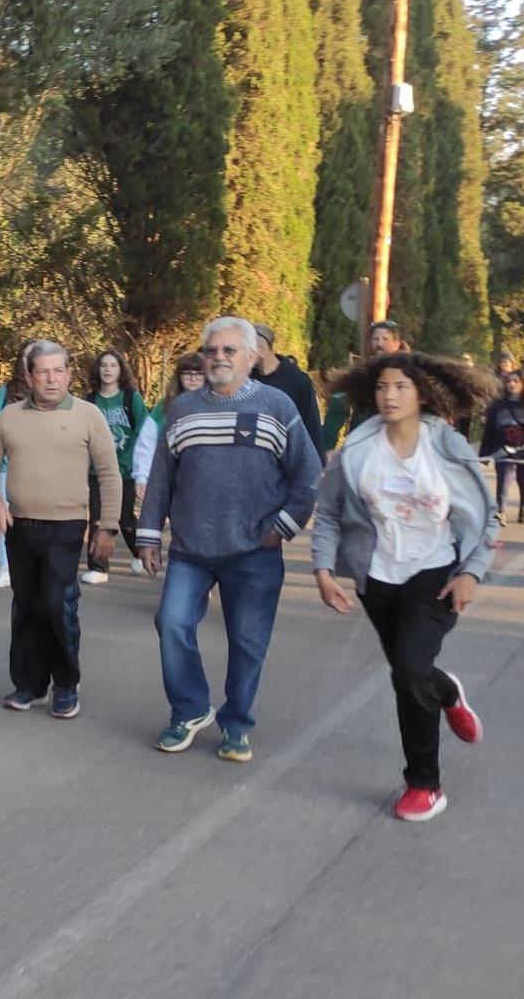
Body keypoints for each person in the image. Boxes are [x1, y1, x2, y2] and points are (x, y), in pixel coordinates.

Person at [312, 352, 500, 823]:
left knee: (408, 672)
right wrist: (323, 570)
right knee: (411, 671)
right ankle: (446, 692)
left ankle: (424, 784)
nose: (389, 395)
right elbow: (330, 513)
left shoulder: (447, 446)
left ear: (422, 393)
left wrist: (471, 572)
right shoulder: (358, 448)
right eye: (382, 387)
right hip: (377, 579)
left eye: (400, 386)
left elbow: (485, 515)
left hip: (436, 571)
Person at [136, 317, 321, 763]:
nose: (218, 358)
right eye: (211, 350)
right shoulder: (182, 410)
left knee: (247, 642)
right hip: (191, 548)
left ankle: (236, 724)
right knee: (172, 622)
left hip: (254, 551)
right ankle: (190, 708)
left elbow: (309, 475)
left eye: (229, 350)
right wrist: (148, 534)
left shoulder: (277, 406)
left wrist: (283, 528)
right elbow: (161, 476)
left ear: (252, 356)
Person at [0, 342, 120, 719]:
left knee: (56, 604)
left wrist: (108, 527)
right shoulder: (9, 418)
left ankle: (66, 683)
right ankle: (30, 684)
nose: (52, 378)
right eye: (43, 371)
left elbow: (108, 473)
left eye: (59, 370)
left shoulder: (88, 416)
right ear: (29, 376)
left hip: (67, 526)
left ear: (69, 374)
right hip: (19, 526)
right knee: (26, 606)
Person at [83, 349, 147, 582]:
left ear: (121, 370)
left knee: (125, 519)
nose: (108, 370)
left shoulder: (131, 398)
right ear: (97, 370)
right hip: (96, 470)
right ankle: (98, 567)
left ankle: (141, 553)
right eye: (103, 365)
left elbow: (143, 429)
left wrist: (130, 460)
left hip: (125, 469)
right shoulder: (90, 401)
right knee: (97, 518)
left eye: (113, 365)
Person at [132, 353, 207, 515]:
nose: (193, 379)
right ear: (179, 376)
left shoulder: (215, 405)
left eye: (198, 374)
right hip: (173, 482)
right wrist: (142, 476)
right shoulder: (164, 407)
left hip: (206, 482)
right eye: (187, 373)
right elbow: (147, 442)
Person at [0, 352, 31, 588]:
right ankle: (4, 568)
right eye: (26, 356)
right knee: (3, 516)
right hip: (6, 466)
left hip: (35, 468)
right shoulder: (7, 390)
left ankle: (29, 566)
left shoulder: (49, 393)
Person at [480, 368, 524, 525]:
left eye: (515, 381)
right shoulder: (498, 405)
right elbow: (490, 429)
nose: (511, 384)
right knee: (503, 481)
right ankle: (500, 512)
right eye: (509, 382)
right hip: (504, 449)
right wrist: (485, 453)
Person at [251, 324, 325, 463]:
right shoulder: (246, 379)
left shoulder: (297, 380)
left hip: (287, 458)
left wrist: (318, 467)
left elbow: (311, 424)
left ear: (261, 349)